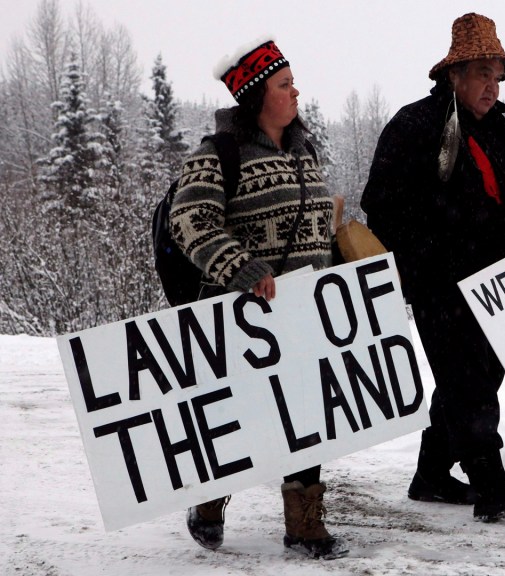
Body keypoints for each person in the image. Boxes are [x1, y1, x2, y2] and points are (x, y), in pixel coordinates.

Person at [360, 13, 505, 523]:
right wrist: (434, 253)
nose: (491, 87)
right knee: (466, 379)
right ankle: (489, 481)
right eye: (481, 74)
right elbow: (381, 206)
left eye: (496, 76)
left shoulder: (504, 136)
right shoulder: (414, 126)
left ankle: (430, 474)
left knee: (478, 378)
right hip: (440, 285)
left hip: (501, 288)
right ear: (453, 75)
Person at [170, 37, 348, 559]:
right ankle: (208, 498)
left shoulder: (304, 151)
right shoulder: (217, 155)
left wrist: (338, 273)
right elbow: (190, 219)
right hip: (244, 317)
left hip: (303, 313)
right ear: (256, 96)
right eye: (284, 84)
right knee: (240, 415)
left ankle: (304, 523)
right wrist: (240, 268)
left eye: (293, 82)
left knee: (306, 414)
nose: (296, 92)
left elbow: (317, 225)